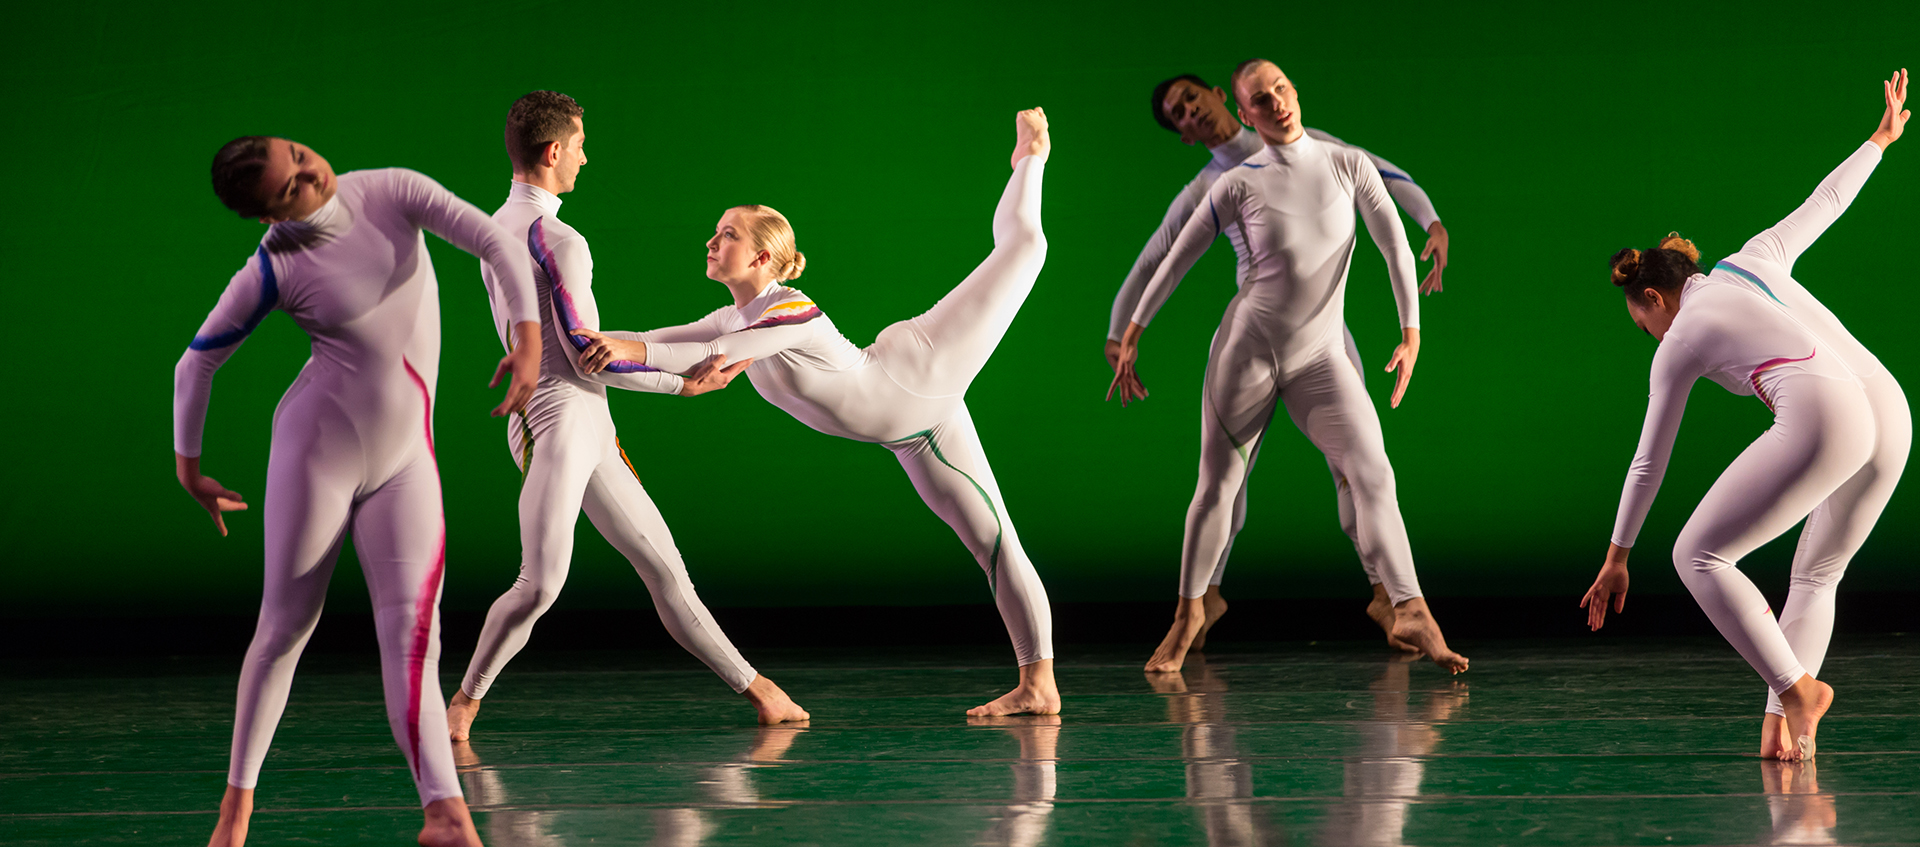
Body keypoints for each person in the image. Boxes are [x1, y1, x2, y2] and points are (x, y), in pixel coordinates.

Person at [571, 109, 1058, 716]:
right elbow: (651, 342)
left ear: (761, 258)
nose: (711, 240)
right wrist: (573, 342)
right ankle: (1038, 687)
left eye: (726, 234)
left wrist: (626, 349)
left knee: (1025, 247)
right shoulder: (733, 317)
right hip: (911, 435)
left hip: (921, 370)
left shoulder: (790, 307)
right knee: (991, 542)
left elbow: (701, 353)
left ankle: (1029, 156)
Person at [176, 135, 543, 846]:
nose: (312, 171)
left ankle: (445, 811)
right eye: (292, 187)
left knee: (414, 636)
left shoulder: (392, 190)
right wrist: (190, 469)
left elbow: (495, 243)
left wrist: (528, 338)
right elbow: (195, 366)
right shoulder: (274, 267)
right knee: (284, 629)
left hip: (408, 457)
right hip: (318, 451)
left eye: (298, 153)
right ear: (268, 217)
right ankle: (235, 811)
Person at [446, 91, 808, 741]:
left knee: (664, 569)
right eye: (579, 146)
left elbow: (579, 348)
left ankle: (760, 689)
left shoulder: (493, 225)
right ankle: (462, 705)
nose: (585, 158)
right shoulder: (556, 237)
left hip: (584, 423)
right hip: (554, 418)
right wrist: (681, 385)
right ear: (554, 151)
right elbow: (589, 356)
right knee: (541, 582)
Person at [1581, 70, 1910, 763]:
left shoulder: (1680, 338)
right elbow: (1826, 202)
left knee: (1698, 555)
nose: (1644, 332)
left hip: (1829, 412)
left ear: (1652, 299)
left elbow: (1649, 461)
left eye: (1638, 319)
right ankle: (1791, 720)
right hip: (1889, 414)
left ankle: (1797, 690)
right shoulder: (1751, 259)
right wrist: (1880, 139)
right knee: (1816, 576)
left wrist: (1617, 554)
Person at [1110, 59, 1468, 675]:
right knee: (1222, 484)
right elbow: (1163, 260)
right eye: (1180, 115)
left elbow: (1392, 231)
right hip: (1249, 349)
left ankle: (1406, 605)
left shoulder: (1339, 159)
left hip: (1323, 347)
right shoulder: (1222, 185)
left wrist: (1414, 312)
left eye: (1279, 88)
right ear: (1240, 112)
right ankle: (1192, 609)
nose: (1273, 101)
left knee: (1368, 471)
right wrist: (1127, 332)